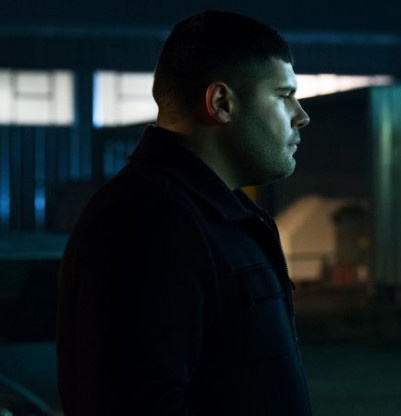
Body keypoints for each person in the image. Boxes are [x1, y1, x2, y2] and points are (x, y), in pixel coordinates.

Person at [57, 11, 311, 416]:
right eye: (284, 96)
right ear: (221, 103)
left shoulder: (217, 215)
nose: (301, 115)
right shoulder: (147, 221)